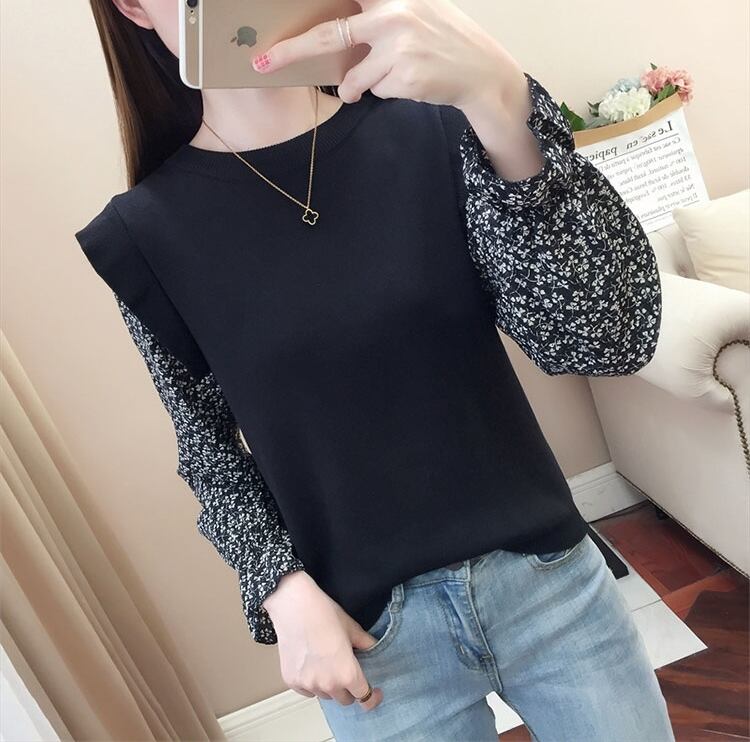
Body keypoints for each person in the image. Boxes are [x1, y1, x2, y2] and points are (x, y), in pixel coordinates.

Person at [73, 1, 674, 740]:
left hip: (550, 584)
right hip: (375, 649)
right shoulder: (143, 236)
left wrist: (501, 98)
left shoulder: (438, 130)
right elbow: (207, 449)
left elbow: (603, 341)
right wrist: (281, 591)